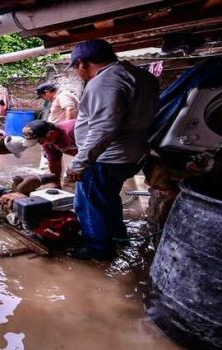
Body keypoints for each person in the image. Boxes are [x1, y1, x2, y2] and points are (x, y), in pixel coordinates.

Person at [64, 39, 160, 260]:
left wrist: (80, 163)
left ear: (82, 63)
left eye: (77, 68)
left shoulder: (104, 82)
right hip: (132, 154)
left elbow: (103, 128)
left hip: (107, 157)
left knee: (87, 203)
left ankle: (98, 248)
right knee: (107, 197)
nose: (79, 73)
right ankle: (118, 236)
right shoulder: (143, 77)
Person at [22, 119, 77, 189]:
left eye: (40, 141)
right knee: (71, 179)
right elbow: (54, 162)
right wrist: (56, 183)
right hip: (84, 154)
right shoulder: (47, 143)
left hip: (93, 151)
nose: (40, 144)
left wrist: (78, 165)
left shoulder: (71, 130)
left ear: (52, 134)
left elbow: (91, 148)